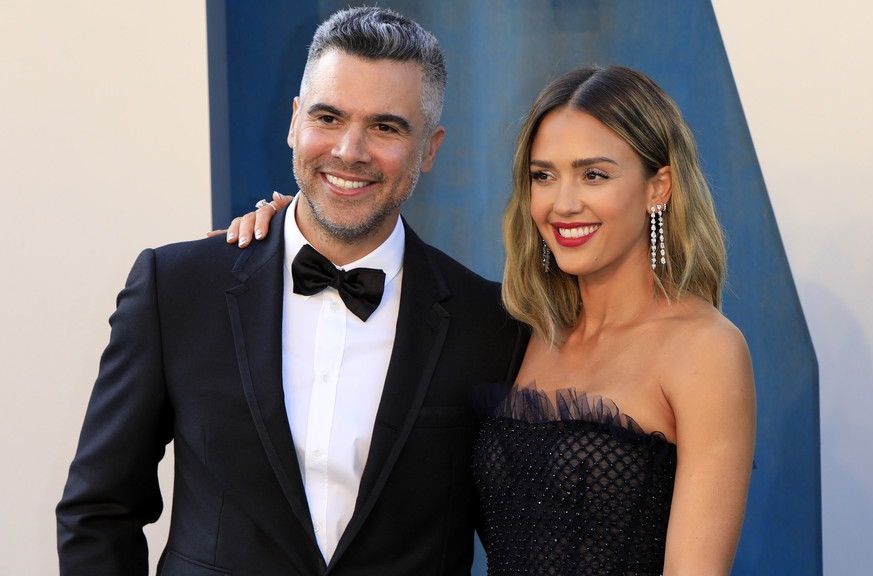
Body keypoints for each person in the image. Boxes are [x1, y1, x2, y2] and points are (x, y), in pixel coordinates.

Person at [230, 65, 756, 575]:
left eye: (594, 175)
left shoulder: (705, 349)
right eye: (543, 176)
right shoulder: (517, 334)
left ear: (658, 187)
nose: (563, 203)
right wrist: (283, 235)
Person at [56, 7, 525, 576]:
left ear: (429, 147)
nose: (349, 151)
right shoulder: (174, 290)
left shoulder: (492, 326)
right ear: (295, 121)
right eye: (328, 117)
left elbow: (516, 543)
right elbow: (99, 511)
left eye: (385, 127)